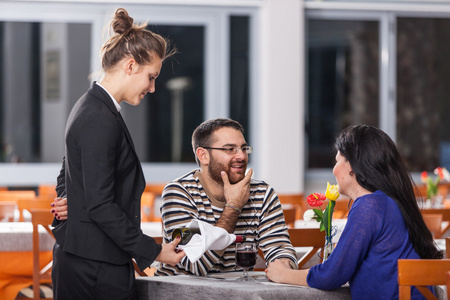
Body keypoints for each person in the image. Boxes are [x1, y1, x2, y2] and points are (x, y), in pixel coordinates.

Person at [51, 8, 185, 300]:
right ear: (130, 65)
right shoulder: (99, 116)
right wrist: (156, 251)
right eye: (151, 77)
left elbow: (67, 170)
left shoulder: (91, 105)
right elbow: (100, 205)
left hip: (87, 259)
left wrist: (72, 200)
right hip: (95, 267)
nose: (152, 88)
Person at [265, 125, 442, 299]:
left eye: (337, 161)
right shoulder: (386, 201)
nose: (334, 170)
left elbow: (331, 275)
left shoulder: (369, 206)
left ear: (352, 166)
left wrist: (282, 274)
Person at [155, 118, 297, 276]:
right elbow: (195, 264)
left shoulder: (262, 193)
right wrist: (233, 206)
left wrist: (285, 264)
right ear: (203, 155)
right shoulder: (179, 193)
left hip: (237, 291)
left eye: (244, 148)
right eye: (230, 149)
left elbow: (279, 248)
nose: (242, 156)